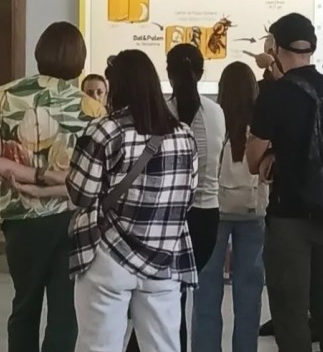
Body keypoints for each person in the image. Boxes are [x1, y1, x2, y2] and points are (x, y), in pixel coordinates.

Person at [0, 22, 106, 352]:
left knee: (24, 306)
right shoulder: (93, 108)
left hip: (21, 218)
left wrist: (33, 175)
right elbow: (97, 176)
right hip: (74, 219)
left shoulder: (3, 96)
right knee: (65, 313)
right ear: (79, 58)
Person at [65, 49, 198, 352]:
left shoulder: (105, 130)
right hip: (164, 257)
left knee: (99, 345)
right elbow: (187, 198)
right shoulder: (184, 135)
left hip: (110, 255)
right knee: (163, 346)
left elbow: (81, 194)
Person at [246, 13, 323, 352]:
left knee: (290, 310)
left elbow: (252, 160)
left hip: (289, 215)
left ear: (276, 48)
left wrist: (271, 153)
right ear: (312, 47)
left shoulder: (275, 95)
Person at [192, 62, 268, 352]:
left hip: (214, 211)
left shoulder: (212, 118)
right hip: (253, 211)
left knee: (207, 289)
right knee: (249, 292)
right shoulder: (261, 122)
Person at [166, 43, 226, 352]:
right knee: (175, 295)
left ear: (168, 73)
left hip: (169, 218)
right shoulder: (216, 112)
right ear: (201, 73)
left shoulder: (162, 112)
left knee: (165, 299)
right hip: (207, 219)